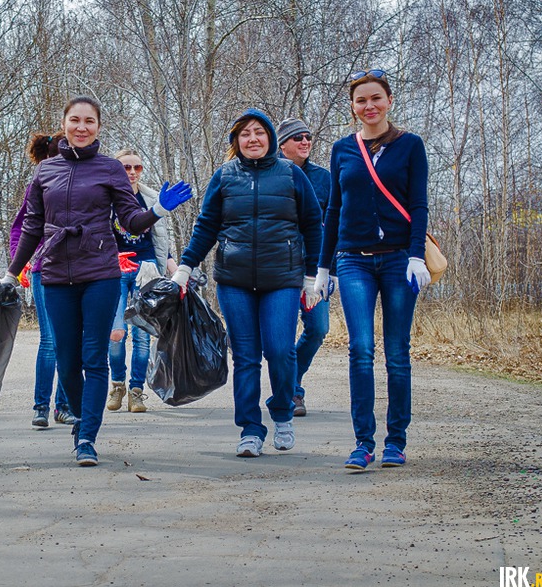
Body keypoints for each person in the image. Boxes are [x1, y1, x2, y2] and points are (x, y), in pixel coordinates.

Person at [2, 95, 192, 466]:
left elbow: (131, 220)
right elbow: (31, 227)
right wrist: (13, 272)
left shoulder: (110, 170)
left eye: (89, 121)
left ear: (98, 127)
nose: (82, 127)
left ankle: (86, 436)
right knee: (68, 360)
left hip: (100, 275)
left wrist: (157, 210)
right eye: (75, 120)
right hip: (56, 275)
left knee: (94, 358)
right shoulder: (45, 172)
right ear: (65, 124)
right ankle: (78, 416)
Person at [170, 109, 322, 458]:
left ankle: (282, 412)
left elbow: (314, 225)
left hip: (282, 279)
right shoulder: (225, 176)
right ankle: (251, 429)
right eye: (245, 134)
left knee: (281, 351)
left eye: (259, 132)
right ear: (236, 141)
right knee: (246, 357)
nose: (252, 139)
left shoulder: (291, 174)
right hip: (234, 280)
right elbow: (206, 226)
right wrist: (185, 267)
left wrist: (312, 277)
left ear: (270, 138)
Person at [314, 69, 430, 470]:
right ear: (353, 107)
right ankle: (363, 442)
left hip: (400, 258)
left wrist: (417, 255)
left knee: (397, 352)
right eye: (361, 100)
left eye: (376, 98)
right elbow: (334, 210)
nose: (369, 106)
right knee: (360, 349)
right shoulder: (343, 149)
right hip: (352, 261)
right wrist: (323, 268)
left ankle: (395, 441)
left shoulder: (411, 146)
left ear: (389, 101)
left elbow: (418, 205)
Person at [10, 132, 76, 428]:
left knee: (69, 341)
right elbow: (20, 229)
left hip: (78, 271)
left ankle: (64, 407)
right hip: (43, 270)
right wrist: (19, 263)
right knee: (50, 341)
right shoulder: (37, 186)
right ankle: (41, 407)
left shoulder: (83, 185)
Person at [106, 148, 176, 414]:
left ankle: (136, 392)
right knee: (116, 333)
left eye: (137, 167)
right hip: (114, 270)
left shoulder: (151, 198)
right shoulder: (106, 199)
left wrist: (174, 267)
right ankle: (117, 385)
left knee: (143, 336)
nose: (132, 173)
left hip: (145, 270)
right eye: (126, 167)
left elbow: (160, 241)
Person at [277, 118, 333, 417]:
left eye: (308, 136)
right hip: (280, 267)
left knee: (318, 328)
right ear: (282, 144)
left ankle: (292, 379)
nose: (305, 141)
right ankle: (293, 394)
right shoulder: (271, 174)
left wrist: (331, 270)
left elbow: (333, 225)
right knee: (282, 334)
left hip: (314, 269)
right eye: (298, 137)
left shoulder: (324, 178)